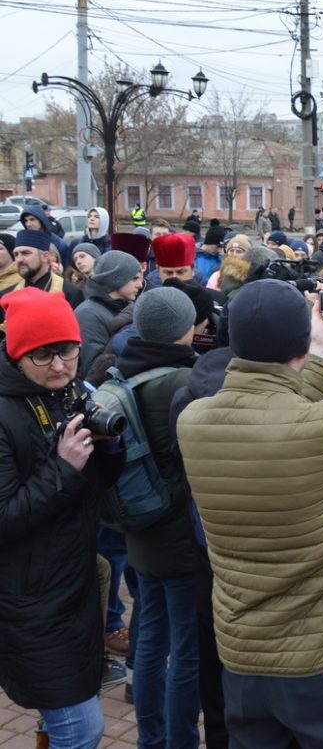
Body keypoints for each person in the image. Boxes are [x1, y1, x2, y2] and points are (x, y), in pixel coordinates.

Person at [176, 280, 323, 748]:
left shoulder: (195, 421)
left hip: (245, 656)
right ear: (295, 346)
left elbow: (280, 414)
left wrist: (319, 357)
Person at [0, 289, 125, 749]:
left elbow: (99, 484)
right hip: (27, 600)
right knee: (82, 726)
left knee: (65, 716)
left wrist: (109, 448)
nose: (58, 365)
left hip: (73, 585)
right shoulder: (4, 412)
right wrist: (64, 467)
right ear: (16, 355)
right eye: (42, 355)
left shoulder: (70, 391)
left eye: (68, 351)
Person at [107, 287, 202, 749]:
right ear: (186, 328)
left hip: (139, 530)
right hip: (179, 534)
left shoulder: (122, 369)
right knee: (186, 651)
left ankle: (151, 738)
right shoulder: (179, 383)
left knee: (149, 641)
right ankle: (180, 740)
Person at [74, 251, 144, 376]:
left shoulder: (124, 306)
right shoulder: (88, 314)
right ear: (116, 279)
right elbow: (92, 371)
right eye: (134, 278)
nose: (140, 285)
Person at [8, 228, 83, 308]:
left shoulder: (70, 293)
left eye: (26, 253)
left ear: (45, 256)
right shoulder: (8, 295)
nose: (19, 259)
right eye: (16, 254)